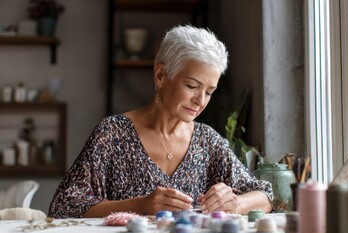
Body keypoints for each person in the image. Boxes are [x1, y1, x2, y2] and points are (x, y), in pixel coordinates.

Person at [48, 25, 273, 218]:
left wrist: (236, 203)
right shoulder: (112, 134)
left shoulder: (207, 141)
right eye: (192, 86)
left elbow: (266, 196)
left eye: (209, 91)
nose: (200, 100)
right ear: (160, 76)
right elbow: (63, 206)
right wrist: (140, 206)